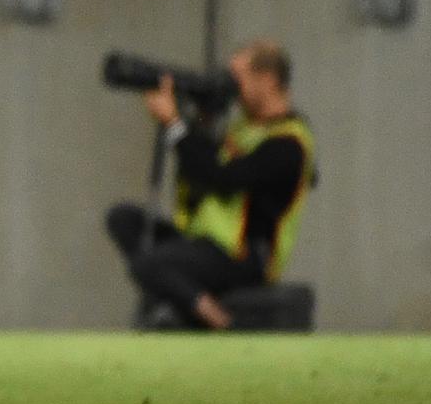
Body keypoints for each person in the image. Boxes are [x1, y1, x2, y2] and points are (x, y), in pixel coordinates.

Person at [106, 40, 315, 329]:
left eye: (237, 78)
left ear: (267, 81)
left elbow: (222, 179)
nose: (231, 86)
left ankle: (216, 318)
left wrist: (175, 125)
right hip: (206, 244)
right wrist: (199, 116)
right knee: (124, 220)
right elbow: (198, 165)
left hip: (245, 256)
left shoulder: (289, 143)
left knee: (148, 263)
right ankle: (186, 299)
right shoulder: (242, 128)